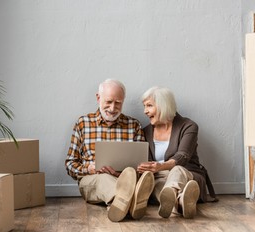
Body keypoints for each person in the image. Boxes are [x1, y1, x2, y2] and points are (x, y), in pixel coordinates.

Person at [65, 79, 155, 222]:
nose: (113, 108)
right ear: (98, 98)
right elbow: (70, 164)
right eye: (109, 102)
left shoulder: (133, 125)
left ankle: (120, 203)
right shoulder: (83, 123)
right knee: (104, 179)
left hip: (125, 177)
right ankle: (131, 200)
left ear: (123, 101)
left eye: (118, 103)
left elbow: (142, 162)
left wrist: (120, 173)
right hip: (92, 179)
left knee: (131, 175)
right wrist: (89, 169)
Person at [137, 86, 218, 219]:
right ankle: (180, 203)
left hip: (189, 175)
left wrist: (161, 166)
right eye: (144, 106)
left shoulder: (188, 126)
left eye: (149, 106)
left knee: (177, 170)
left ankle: (173, 194)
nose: (145, 111)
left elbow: (183, 156)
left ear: (163, 106)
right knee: (156, 184)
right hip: (160, 177)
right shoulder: (146, 131)